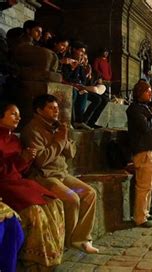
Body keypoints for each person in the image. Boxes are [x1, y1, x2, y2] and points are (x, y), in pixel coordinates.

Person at [21, 94, 99, 254]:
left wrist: (64, 137)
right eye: (51, 108)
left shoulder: (57, 127)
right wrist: (58, 142)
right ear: (39, 110)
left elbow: (71, 152)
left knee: (90, 193)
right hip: (44, 177)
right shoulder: (32, 130)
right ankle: (64, 241)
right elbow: (41, 161)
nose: (56, 110)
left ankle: (81, 239)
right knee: (72, 198)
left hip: (62, 174)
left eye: (57, 107)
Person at [0, 102, 65, 270]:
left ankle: (54, 255)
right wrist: (22, 159)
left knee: (55, 202)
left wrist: (27, 158)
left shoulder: (14, 139)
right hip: (5, 184)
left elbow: (22, 168)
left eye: (19, 114)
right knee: (35, 211)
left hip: (18, 181)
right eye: (13, 114)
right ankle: (34, 261)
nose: (18, 117)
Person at [126, 80, 152, 227]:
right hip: (144, 152)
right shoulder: (134, 109)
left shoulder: (144, 108)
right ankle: (139, 217)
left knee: (151, 186)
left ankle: (145, 212)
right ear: (139, 93)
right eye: (147, 91)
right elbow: (145, 128)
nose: (150, 93)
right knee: (143, 186)